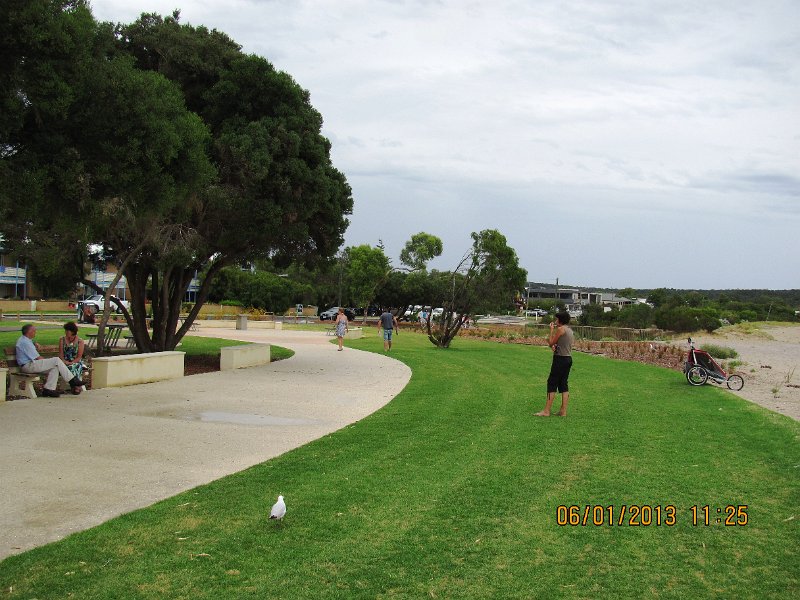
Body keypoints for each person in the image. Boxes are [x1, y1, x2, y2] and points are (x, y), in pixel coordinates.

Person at [15, 324, 85, 398]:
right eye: (34, 331)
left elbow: (32, 348)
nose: (35, 332)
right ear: (29, 332)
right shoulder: (25, 343)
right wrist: (48, 362)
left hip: (31, 364)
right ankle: (72, 381)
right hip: (28, 366)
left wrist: (34, 343)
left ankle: (49, 389)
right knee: (56, 361)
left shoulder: (25, 340)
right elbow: (38, 358)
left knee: (55, 367)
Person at [535, 312, 574, 417]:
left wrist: (551, 330)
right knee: (563, 384)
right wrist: (554, 348)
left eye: (557, 319)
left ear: (560, 320)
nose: (556, 321)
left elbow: (551, 342)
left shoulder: (561, 329)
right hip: (568, 359)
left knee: (552, 383)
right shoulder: (569, 330)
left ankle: (546, 411)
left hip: (560, 360)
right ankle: (563, 411)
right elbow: (561, 346)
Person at [58, 321, 87, 395]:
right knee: (68, 367)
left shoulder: (80, 341)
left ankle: (74, 386)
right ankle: (76, 386)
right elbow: (61, 354)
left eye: (68, 331)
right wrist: (65, 361)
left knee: (73, 366)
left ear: (73, 331)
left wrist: (72, 362)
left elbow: (79, 357)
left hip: (76, 361)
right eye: (65, 330)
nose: (66, 332)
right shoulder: (62, 339)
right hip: (64, 361)